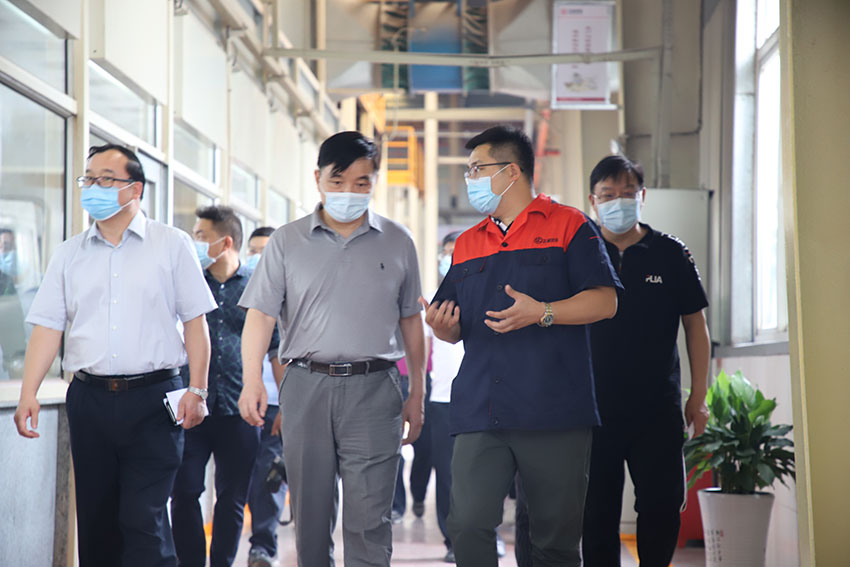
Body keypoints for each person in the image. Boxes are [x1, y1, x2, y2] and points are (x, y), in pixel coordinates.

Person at [424, 125, 622, 567]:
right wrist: (442, 328)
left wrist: (543, 312)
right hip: (481, 407)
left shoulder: (570, 225)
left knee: (554, 541)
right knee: (467, 524)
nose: (470, 179)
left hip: (553, 409)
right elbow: (455, 322)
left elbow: (605, 301)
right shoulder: (468, 243)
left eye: (478, 169)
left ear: (511, 171)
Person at [13, 144, 215, 567]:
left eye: (106, 179)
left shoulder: (171, 244)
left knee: (144, 521)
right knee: (97, 522)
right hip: (89, 401)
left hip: (155, 400)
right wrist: (28, 392)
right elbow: (48, 327)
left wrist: (198, 390)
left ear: (135, 188)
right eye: (88, 178)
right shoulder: (69, 253)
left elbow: (196, 323)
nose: (94, 187)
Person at [237, 131, 426, 567]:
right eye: (337, 181)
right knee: (311, 514)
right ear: (318, 178)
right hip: (306, 385)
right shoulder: (286, 241)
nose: (348, 193)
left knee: (370, 519)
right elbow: (261, 316)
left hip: (375, 388)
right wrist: (251, 381)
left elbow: (410, 320)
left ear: (375, 182)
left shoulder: (398, 241)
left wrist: (417, 393)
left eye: (362, 183)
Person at [580, 155, 711, 566]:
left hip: (656, 407)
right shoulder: (579, 252)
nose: (617, 202)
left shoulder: (670, 253)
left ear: (642, 196)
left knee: (661, 505)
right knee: (595, 512)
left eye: (627, 193)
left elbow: (696, 326)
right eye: (607, 195)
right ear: (592, 200)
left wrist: (698, 397)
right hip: (592, 407)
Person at [170, 206, 271, 567]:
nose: (194, 242)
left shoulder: (257, 288)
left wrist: (286, 407)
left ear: (225, 242)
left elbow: (276, 349)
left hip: (240, 409)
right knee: (184, 492)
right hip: (191, 406)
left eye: (201, 236)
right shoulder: (188, 283)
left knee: (231, 498)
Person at [244, 225, 289, 567]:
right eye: (254, 251)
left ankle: (262, 545)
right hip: (242, 401)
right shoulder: (240, 294)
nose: (259, 258)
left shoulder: (290, 295)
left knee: (269, 476)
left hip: (276, 403)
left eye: (266, 251)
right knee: (244, 478)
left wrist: (288, 405)